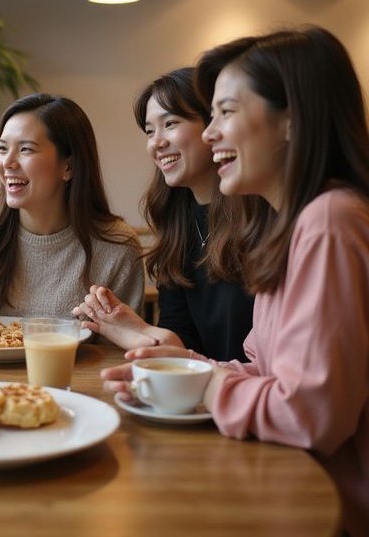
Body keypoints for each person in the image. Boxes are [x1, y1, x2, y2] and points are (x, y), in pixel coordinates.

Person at [101, 27, 369, 536]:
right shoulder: (296, 225)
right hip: (295, 483)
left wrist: (204, 382)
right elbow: (264, 371)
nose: (207, 133)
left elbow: (313, 417)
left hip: (332, 508)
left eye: (225, 112)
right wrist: (177, 377)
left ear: (291, 119)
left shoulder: (330, 220)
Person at [73, 68, 259, 359]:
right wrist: (140, 331)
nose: (156, 143)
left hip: (254, 394)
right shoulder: (177, 222)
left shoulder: (259, 221)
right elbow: (183, 343)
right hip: (202, 393)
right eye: (149, 131)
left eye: (170, 123)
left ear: (214, 126)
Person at [0, 93, 143, 322]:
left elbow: (121, 349)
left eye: (25, 149)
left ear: (69, 166)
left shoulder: (117, 246)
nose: (7, 163)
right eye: (3, 149)